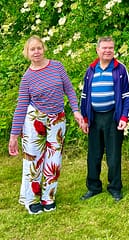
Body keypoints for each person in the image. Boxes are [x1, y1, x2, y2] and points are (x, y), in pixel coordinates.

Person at [8, 35, 84, 214]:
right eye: (32, 49)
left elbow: (69, 90)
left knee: (53, 161)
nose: (36, 52)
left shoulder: (57, 66)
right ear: (27, 53)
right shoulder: (27, 78)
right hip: (36, 119)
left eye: (39, 48)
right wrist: (13, 136)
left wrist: (76, 110)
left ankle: (48, 197)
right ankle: (32, 199)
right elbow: (20, 107)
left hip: (57, 119)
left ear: (44, 49)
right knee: (34, 160)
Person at [80, 36, 129, 202]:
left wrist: (124, 116)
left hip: (113, 117)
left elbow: (127, 95)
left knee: (113, 155)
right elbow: (84, 96)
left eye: (111, 48)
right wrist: (85, 118)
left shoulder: (120, 69)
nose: (108, 50)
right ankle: (93, 187)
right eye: (104, 48)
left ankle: (115, 188)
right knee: (93, 155)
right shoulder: (91, 70)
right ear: (98, 50)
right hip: (94, 118)